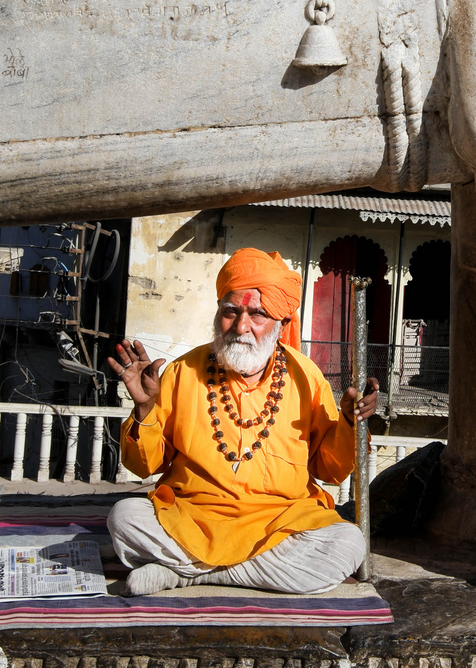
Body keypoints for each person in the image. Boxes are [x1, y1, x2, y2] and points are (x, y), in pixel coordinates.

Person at [106, 247, 379, 596]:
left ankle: (190, 574)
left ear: (281, 323)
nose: (241, 326)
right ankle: (246, 572)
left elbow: (330, 471)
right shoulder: (180, 372)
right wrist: (144, 411)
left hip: (280, 521)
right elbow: (145, 466)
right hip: (194, 515)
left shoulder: (306, 376)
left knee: (347, 542)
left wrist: (351, 423)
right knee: (125, 518)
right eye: (230, 311)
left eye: (258, 314)